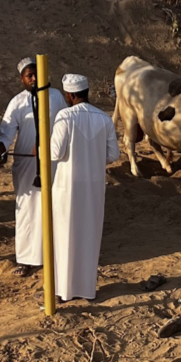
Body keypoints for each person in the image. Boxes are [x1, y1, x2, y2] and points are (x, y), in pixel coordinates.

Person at [51, 73, 121, 302]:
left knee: (64, 236)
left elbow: (55, 153)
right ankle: (87, 290)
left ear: (70, 95)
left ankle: (63, 291)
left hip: (66, 188)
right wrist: (93, 156)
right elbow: (113, 155)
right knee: (89, 236)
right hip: (94, 188)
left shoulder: (65, 117)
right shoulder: (104, 118)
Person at [0, 58, 66, 277]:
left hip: (55, 162)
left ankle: (56, 255)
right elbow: (7, 133)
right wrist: (1, 149)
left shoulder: (56, 96)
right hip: (27, 164)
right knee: (28, 210)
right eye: (30, 75)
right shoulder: (16, 102)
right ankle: (27, 259)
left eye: (37, 74)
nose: (35, 79)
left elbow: (65, 124)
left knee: (56, 207)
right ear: (22, 79)